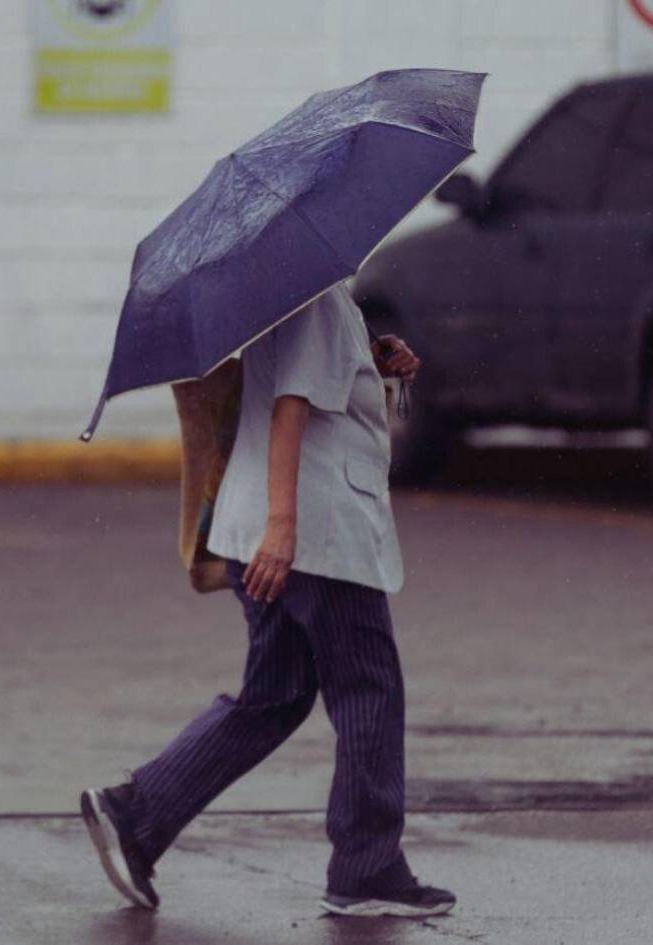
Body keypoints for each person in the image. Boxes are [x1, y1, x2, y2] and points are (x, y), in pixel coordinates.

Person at [78, 282, 454, 919]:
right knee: (369, 688)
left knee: (274, 695)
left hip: (258, 526)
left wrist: (368, 357)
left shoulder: (281, 296)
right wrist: (284, 527)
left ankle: (135, 817)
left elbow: (306, 374)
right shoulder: (315, 294)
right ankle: (368, 869)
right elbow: (291, 404)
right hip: (315, 534)